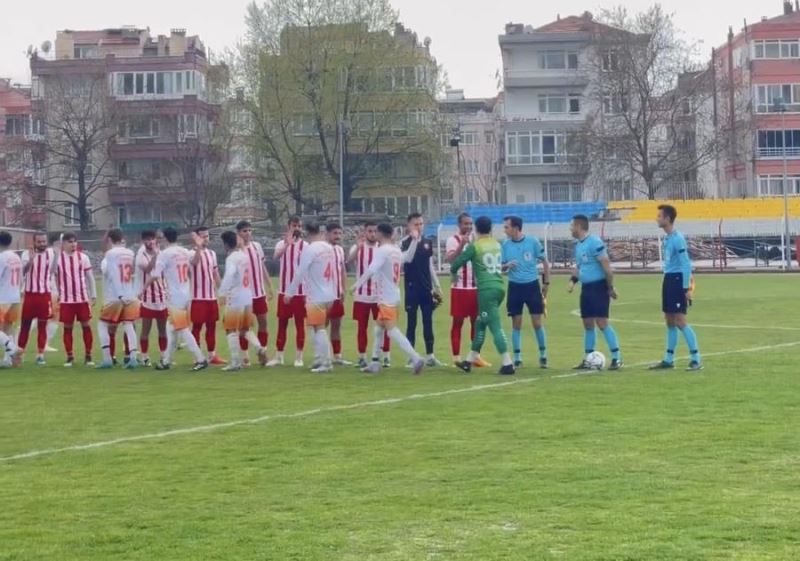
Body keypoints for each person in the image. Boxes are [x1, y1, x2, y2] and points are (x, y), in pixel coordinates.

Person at [351, 223, 425, 375]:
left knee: (391, 331)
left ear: (380, 233)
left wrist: (356, 285)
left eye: (376, 232)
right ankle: (375, 362)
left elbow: (371, 269)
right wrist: (415, 241)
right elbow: (408, 258)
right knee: (378, 329)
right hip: (393, 294)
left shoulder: (383, 250)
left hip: (386, 297)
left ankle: (415, 358)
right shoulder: (395, 250)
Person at [451, 216, 515, 375]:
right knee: (480, 323)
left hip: (486, 290)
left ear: (476, 229)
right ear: (491, 229)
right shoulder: (496, 244)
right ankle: (469, 360)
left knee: (494, 325)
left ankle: (507, 363)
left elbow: (457, 262)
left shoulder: (475, 246)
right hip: (499, 286)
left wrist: (453, 273)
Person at [146, 227, 208, 371]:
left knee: (182, 328)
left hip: (174, 296)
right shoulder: (183, 251)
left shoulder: (165, 254)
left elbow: (155, 274)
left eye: (161, 238)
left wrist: (142, 290)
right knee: (171, 328)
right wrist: (198, 247)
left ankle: (200, 358)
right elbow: (195, 262)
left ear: (166, 238)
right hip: (186, 293)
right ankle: (166, 361)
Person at [650, 204, 703, 371]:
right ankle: (668, 359)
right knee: (669, 321)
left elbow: (685, 263)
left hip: (678, 279)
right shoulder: (667, 238)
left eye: (659, 216)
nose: (657, 219)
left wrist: (686, 288)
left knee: (680, 321)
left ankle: (696, 359)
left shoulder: (678, 238)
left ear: (667, 219)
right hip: (669, 279)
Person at [567, 215, 623, 370]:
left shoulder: (595, 242)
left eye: (571, 225)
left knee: (602, 322)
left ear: (578, 226)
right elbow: (579, 267)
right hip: (586, 289)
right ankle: (588, 359)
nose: (570, 229)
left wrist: (610, 287)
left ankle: (617, 358)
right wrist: (573, 281)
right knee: (587, 324)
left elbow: (607, 268)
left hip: (599, 287)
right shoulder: (578, 245)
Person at [284, 222, 336, 373]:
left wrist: (289, 292)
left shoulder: (310, 249)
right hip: (328, 291)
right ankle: (319, 358)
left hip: (316, 293)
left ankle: (326, 362)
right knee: (313, 326)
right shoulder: (328, 248)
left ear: (307, 233)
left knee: (319, 328)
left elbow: (300, 272)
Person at [501, 215, 550, 369]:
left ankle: (543, 355)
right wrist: (507, 265)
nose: (505, 230)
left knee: (537, 322)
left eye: (507, 227)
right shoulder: (505, 244)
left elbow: (544, 261)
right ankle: (517, 358)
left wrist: (546, 282)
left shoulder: (532, 241)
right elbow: (500, 267)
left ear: (515, 228)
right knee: (516, 324)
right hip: (515, 287)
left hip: (532, 286)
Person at [218, 231, 268, 371]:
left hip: (236, 296)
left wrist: (222, 293)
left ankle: (235, 362)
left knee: (230, 328)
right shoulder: (243, 256)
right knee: (245, 328)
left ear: (226, 244)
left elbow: (229, 275)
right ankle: (259, 348)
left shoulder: (232, 258)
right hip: (247, 296)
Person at [445, 213, 489, 368]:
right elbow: (450, 260)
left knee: (476, 323)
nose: (469, 227)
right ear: (459, 225)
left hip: (475, 288)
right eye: (465, 224)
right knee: (457, 322)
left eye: (471, 224)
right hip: (459, 288)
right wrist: (460, 246)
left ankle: (475, 356)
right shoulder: (452, 240)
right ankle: (456, 358)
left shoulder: (476, 241)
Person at [400, 213, 443, 367]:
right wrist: (414, 239)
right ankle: (411, 357)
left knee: (428, 322)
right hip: (411, 289)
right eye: (415, 224)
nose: (419, 227)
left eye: (421, 223)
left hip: (426, 289)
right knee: (411, 323)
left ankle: (430, 355)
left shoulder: (427, 243)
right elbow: (405, 261)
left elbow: (430, 265)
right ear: (409, 226)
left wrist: (436, 284)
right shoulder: (404, 243)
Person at [348, 221, 390, 368]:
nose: (372, 234)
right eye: (369, 231)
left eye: (374, 231)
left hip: (380, 295)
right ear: (365, 232)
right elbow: (348, 262)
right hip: (361, 295)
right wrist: (357, 248)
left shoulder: (383, 248)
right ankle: (362, 356)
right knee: (362, 327)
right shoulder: (358, 247)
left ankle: (385, 356)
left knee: (384, 326)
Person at [97, 229, 140, 369]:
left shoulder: (110, 254)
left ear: (109, 239)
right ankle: (133, 358)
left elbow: (114, 274)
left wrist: (119, 294)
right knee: (128, 324)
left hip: (114, 295)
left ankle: (107, 358)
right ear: (122, 238)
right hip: (130, 292)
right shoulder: (129, 253)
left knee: (102, 324)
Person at [52, 232, 96, 367]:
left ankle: (88, 356)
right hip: (66, 300)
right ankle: (70, 357)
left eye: (74, 241)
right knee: (67, 328)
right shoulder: (59, 259)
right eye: (70, 242)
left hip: (82, 299)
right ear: (63, 244)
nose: (73, 244)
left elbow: (90, 277)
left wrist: (93, 295)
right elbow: (53, 274)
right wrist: (57, 293)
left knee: (86, 326)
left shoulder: (83, 257)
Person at [270, 216, 307, 367]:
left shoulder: (306, 245)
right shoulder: (281, 243)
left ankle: (299, 356)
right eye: (294, 225)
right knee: (282, 323)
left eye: (299, 226)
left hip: (300, 291)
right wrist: (287, 244)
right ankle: (279, 356)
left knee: (300, 324)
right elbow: (275, 257)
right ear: (288, 226)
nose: (296, 228)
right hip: (284, 291)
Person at [236, 220, 273, 365]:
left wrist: (269, 285)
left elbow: (262, 266)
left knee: (263, 323)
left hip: (259, 293)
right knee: (245, 327)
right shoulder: (236, 250)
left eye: (250, 230)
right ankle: (245, 356)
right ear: (238, 233)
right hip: (245, 295)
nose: (248, 233)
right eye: (245, 231)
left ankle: (262, 352)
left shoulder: (257, 246)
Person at [18, 232, 56, 365]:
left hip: (44, 294)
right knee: (25, 325)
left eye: (44, 241)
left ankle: (40, 354)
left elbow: (52, 270)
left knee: (42, 325)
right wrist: (31, 260)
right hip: (30, 294)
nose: (42, 244)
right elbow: (22, 272)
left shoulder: (51, 253)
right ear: (34, 242)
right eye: (39, 242)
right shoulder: (26, 254)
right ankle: (20, 353)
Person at [189, 226, 225, 365]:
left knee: (211, 326)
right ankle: (197, 356)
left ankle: (212, 355)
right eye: (203, 236)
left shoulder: (212, 253)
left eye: (207, 236)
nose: (206, 239)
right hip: (198, 297)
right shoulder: (190, 253)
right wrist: (198, 247)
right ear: (196, 238)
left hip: (211, 297)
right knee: (197, 327)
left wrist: (221, 290)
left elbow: (215, 273)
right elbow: (195, 263)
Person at [136, 230, 168, 367]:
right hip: (148, 298)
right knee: (146, 329)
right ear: (143, 241)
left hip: (162, 297)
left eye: (152, 239)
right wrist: (156, 256)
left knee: (163, 330)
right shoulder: (140, 255)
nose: (150, 242)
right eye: (147, 240)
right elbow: (149, 269)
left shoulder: (162, 253)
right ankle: (144, 356)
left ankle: (164, 356)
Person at [326, 222, 351, 365]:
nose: (338, 236)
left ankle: (337, 356)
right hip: (323, 296)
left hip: (337, 294)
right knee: (321, 326)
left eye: (340, 233)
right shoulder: (321, 250)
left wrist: (343, 289)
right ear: (327, 234)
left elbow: (342, 270)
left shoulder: (340, 250)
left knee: (336, 326)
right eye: (335, 233)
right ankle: (323, 356)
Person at [0, 231, 21, 367]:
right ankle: (8, 361)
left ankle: (13, 349)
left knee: (4, 329)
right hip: (15, 297)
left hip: (3, 298)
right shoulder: (16, 256)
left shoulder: (1, 257)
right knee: (8, 328)